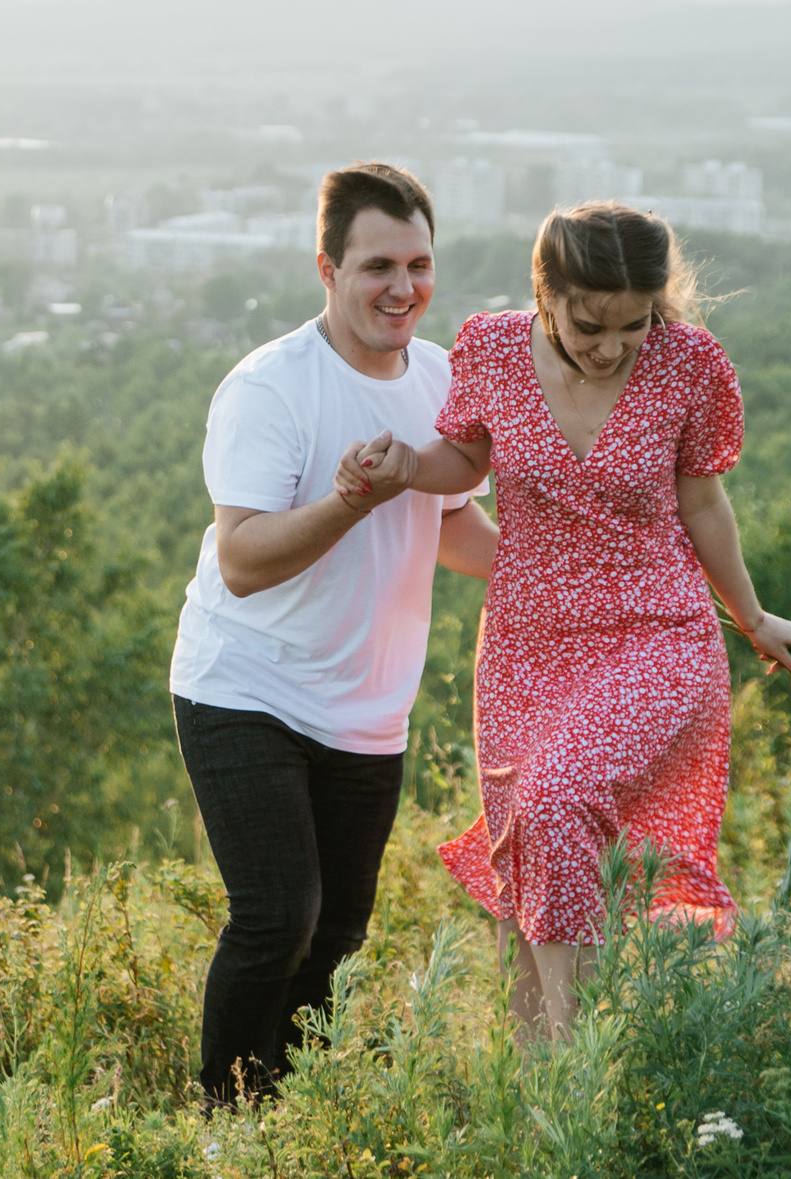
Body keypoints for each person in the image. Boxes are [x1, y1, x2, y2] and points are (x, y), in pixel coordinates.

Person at [339, 200, 791, 1044]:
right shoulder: (489, 350)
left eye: (634, 324)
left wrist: (753, 615)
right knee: (535, 844)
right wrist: (409, 466)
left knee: (557, 799)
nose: (610, 346)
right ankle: (536, 1090)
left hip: (657, 633)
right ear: (545, 292)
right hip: (526, 646)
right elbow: (468, 458)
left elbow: (703, 503)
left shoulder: (689, 363)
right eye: (590, 323)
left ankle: (580, 1059)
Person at [168, 161, 499, 1104]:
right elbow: (244, 557)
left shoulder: (440, 379)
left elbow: (451, 527)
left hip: (367, 708)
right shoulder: (270, 388)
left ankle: (295, 1119)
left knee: (340, 933)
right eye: (378, 266)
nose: (404, 288)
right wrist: (354, 496)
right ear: (327, 267)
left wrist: (574, 573)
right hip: (246, 688)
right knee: (279, 916)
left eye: (420, 264)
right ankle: (225, 1125)